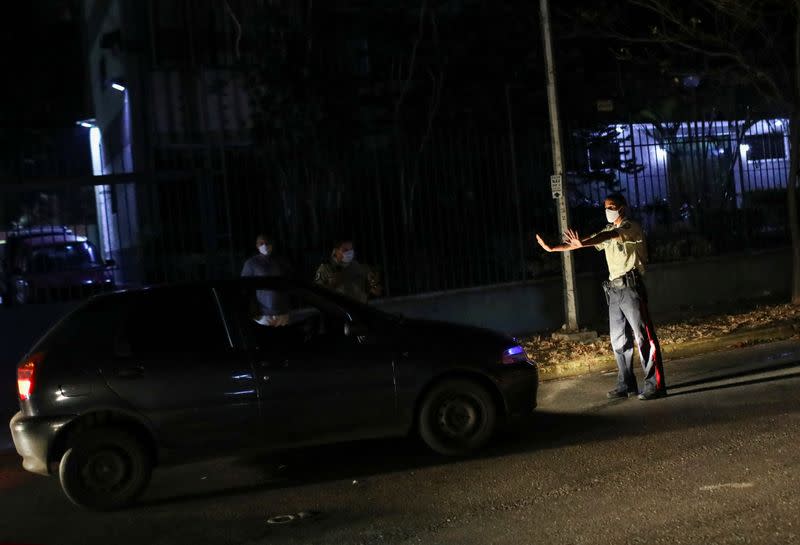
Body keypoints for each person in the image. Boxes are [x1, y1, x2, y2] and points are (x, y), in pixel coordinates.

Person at [535, 194, 667, 400]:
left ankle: (655, 385)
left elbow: (607, 237)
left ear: (622, 208)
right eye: (606, 207)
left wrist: (582, 243)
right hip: (614, 291)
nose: (608, 210)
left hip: (631, 287)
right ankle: (626, 384)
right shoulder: (606, 230)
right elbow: (586, 241)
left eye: (612, 207)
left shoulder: (629, 227)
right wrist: (554, 248)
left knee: (643, 337)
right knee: (618, 340)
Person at [241, 234, 290, 326]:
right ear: (257, 245)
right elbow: (244, 287)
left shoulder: (280, 261)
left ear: (272, 244)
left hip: (282, 312)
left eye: (267, 243)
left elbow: (289, 281)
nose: (265, 246)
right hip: (263, 314)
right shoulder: (251, 263)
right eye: (261, 243)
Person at [314, 238, 382, 303]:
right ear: (335, 251)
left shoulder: (359, 266)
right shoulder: (325, 269)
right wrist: (332, 285)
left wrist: (374, 285)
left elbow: (376, 291)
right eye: (345, 250)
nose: (349, 253)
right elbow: (317, 296)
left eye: (351, 250)